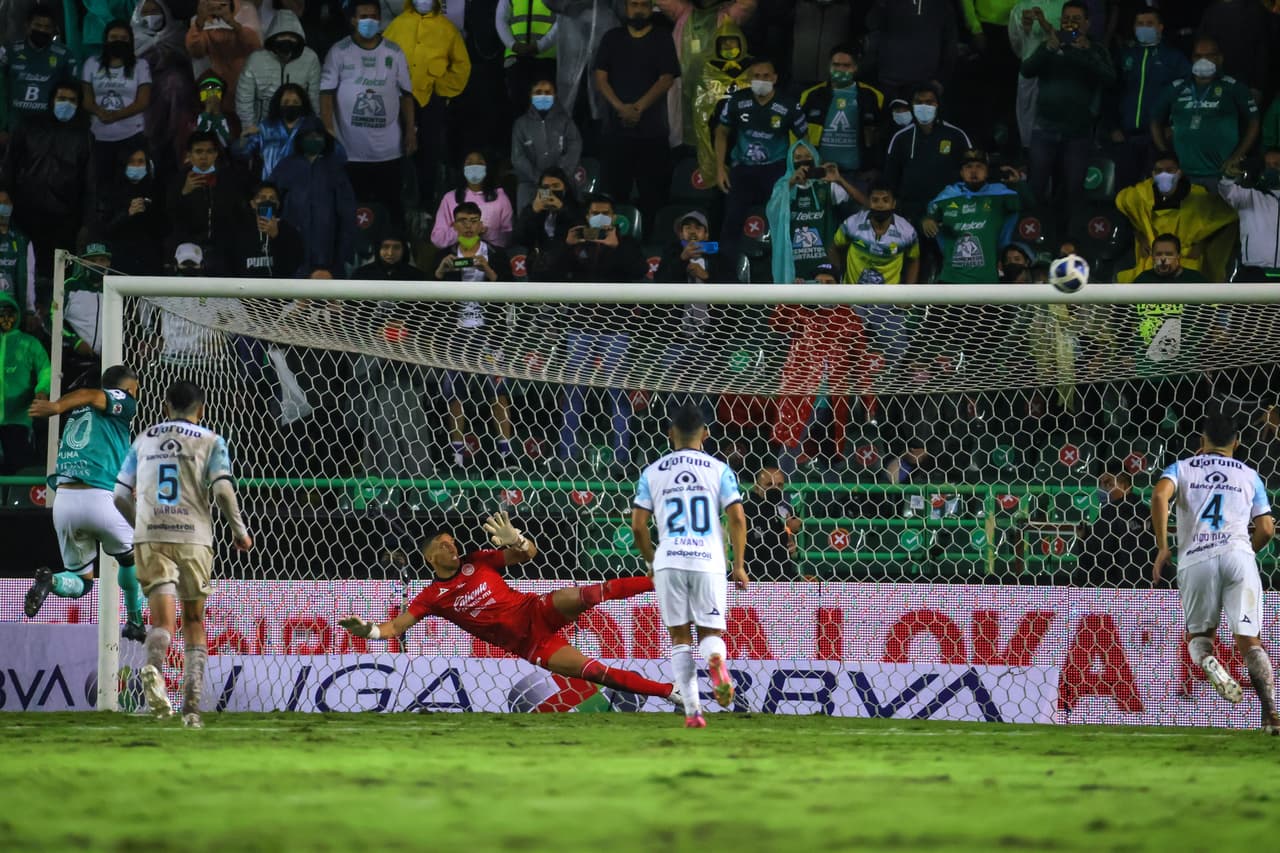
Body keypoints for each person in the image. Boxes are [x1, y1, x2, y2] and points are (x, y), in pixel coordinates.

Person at [340, 518, 682, 707]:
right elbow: (395, 628)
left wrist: (517, 540)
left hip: (538, 610)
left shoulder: (478, 560)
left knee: (594, 592)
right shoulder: (431, 597)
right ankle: (670, 692)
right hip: (531, 645)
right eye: (442, 546)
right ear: (431, 559)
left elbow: (528, 555)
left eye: (452, 541)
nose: (451, 546)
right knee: (596, 672)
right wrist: (367, 631)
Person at [115, 380, 253, 727]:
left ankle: (153, 669)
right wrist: (240, 531)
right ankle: (191, 709)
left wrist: (141, 526)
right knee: (193, 621)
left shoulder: (143, 439)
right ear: (201, 409)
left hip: (152, 535)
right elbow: (222, 489)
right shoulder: (210, 440)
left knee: (161, 622)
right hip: (193, 538)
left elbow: (118, 494)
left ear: (165, 407)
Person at [1151, 412, 1278, 734]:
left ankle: (1208, 661)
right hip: (1238, 557)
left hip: (1196, 560)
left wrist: (1164, 547)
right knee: (1250, 640)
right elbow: (1266, 528)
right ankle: (1272, 715)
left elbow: (1159, 496)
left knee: (1200, 637)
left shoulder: (1180, 468)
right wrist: (1248, 552)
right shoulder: (1251, 476)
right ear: (1236, 442)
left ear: (1201, 440)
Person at [631, 402, 748, 727]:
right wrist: (738, 564)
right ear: (705, 434)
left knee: (679, 637)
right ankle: (715, 659)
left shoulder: (652, 472)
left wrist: (652, 561)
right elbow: (737, 517)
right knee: (711, 632)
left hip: (670, 561)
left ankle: (693, 711)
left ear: (671, 434)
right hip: (709, 560)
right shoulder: (718, 469)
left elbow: (638, 526)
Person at [23, 366, 146, 642]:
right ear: (126, 389)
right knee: (130, 558)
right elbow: (90, 393)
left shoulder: (78, 414)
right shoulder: (121, 400)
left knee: (82, 582)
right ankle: (135, 620)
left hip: (64, 501)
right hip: (101, 498)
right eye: (134, 391)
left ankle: (51, 580)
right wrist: (54, 406)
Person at [553, 194, 645, 468]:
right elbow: (548, 274)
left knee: (616, 391)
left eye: (606, 212)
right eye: (595, 212)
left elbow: (640, 270)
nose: (601, 217)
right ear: (587, 216)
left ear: (615, 217)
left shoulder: (627, 244)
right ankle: (567, 455)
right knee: (573, 392)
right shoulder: (577, 243)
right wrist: (565, 247)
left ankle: (621, 458)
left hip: (616, 328)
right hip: (579, 327)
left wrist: (616, 248)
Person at [432, 200, 515, 469]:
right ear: (454, 225)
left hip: (489, 334)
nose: (468, 225)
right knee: (455, 395)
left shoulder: (497, 254)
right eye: (462, 220)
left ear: (481, 224)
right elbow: (428, 302)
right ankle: (456, 454)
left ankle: (506, 453)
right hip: (456, 334)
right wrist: (440, 273)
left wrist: (488, 271)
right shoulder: (443, 255)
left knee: (497, 392)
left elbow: (512, 294)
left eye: (473, 220)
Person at [321, 1, 415, 226]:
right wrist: (328, 131)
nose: (369, 21)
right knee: (351, 210)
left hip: (389, 152)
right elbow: (326, 93)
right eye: (363, 16)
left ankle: (396, 253)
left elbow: (406, 96)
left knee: (392, 210)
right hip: (351, 151)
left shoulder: (394, 51)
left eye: (374, 16)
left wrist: (410, 131)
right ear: (353, 20)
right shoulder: (339, 51)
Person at [1020, 1, 1113, 220]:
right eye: (1066, 19)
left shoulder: (1096, 49)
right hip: (1044, 129)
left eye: (1076, 20)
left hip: (1078, 133)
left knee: (1074, 191)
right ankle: (1033, 242)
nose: (1070, 24)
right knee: (1037, 187)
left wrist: (1085, 52)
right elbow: (1027, 70)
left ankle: (1072, 242)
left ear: (1087, 24)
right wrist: (1048, 49)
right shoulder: (1049, 44)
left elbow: (1110, 79)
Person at [770, 262, 866, 475]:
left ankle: (829, 506)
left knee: (831, 455)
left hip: (835, 401)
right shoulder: (801, 309)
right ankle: (784, 503)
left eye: (829, 282)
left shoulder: (848, 316)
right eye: (819, 282)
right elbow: (777, 323)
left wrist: (867, 402)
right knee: (790, 449)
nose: (823, 287)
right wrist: (793, 295)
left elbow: (860, 359)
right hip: (801, 397)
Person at [593, 0, 680, 227]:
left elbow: (667, 79)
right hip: (615, 130)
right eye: (634, 4)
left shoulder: (662, 38)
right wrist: (621, 108)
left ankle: (651, 250)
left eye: (643, 5)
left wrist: (638, 108)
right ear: (626, 8)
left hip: (652, 133)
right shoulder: (612, 38)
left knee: (654, 198)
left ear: (651, 9)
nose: (638, 9)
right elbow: (600, 78)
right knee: (612, 196)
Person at [715, 57, 806, 257]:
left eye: (766, 76)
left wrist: (797, 169)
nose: (761, 80)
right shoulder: (738, 101)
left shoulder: (789, 105)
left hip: (776, 171)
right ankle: (726, 275)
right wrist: (720, 168)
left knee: (779, 222)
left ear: (775, 78)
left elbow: (803, 140)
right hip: (742, 169)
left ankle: (778, 274)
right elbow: (721, 131)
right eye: (756, 76)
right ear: (749, 78)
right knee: (731, 221)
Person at [1, 81, 94, 279]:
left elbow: (89, 182)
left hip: (64, 217)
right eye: (61, 98)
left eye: (72, 100)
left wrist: (85, 221)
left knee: (58, 273)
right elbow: (10, 164)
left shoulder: (84, 135)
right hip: (26, 213)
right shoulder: (28, 126)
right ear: (51, 100)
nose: (66, 104)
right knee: (26, 267)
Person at [384, 0, 471, 207]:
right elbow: (382, 55)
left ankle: (426, 204)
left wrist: (441, 88)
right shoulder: (397, 25)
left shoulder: (447, 29)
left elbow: (462, 66)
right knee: (393, 149)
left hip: (430, 100)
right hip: (396, 97)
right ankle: (395, 204)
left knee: (429, 152)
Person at [1151, 36, 1260, 190]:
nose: (1203, 60)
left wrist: (1237, 156)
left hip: (1221, 174)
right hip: (1183, 174)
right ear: (1191, 58)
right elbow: (1155, 120)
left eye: (1209, 55)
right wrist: (1164, 154)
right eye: (1198, 56)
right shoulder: (1176, 88)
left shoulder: (1234, 88)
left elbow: (1253, 121)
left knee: (1220, 213)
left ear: (1220, 58)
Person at [1114, 153, 1237, 283]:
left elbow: (1225, 218)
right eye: (1159, 171)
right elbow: (1126, 212)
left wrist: (1202, 244)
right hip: (1152, 259)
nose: (1164, 175)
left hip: (1188, 260)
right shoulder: (1140, 195)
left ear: (1179, 172)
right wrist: (1140, 235)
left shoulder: (1198, 196)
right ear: (1153, 173)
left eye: (1169, 170)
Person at [1107, 7, 1189, 192]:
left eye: (1149, 24)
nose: (1144, 27)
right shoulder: (1125, 55)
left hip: (1157, 139)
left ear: (1160, 27)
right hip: (1127, 138)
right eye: (1140, 24)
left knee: (1156, 194)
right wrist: (1113, 126)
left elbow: (1186, 95)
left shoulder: (1173, 58)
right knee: (1125, 195)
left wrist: (1173, 124)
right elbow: (1111, 92)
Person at [767, 139, 864, 284]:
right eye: (798, 158)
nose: (803, 161)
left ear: (815, 158)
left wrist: (839, 180)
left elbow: (866, 204)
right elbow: (771, 212)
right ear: (789, 161)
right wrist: (791, 183)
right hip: (794, 270)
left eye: (808, 156)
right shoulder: (783, 188)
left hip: (826, 271)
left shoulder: (826, 187)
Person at [922, 149, 1022, 285]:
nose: (974, 171)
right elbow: (928, 217)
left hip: (987, 281)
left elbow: (1027, 204)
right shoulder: (947, 196)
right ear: (961, 172)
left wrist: (1017, 183)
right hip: (951, 280)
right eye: (968, 167)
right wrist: (926, 220)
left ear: (987, 171)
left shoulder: (1001, 195)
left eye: (979, 167)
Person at [272, 117, 356, 276]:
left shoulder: (335, 169)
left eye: (318, 136)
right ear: (300, 139)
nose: (313, 140)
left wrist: (345, 250)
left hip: (327, 247)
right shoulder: (285, 167)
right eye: (308, 136)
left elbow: (347, 213)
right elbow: (270, 199)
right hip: (291, 242)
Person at [883, 84, 973, 225]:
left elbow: (973, 168)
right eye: (919, 102)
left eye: (929, 102)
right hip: (910, 211)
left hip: (949, 208)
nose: (924, 106)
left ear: (938, 104)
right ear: (912, 105)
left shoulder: (956, 135)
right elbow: (890, 177)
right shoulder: (901, 138)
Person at [81, 20, 153, 183]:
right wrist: (100, 112)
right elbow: (87, 100)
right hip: (98, 137)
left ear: (130, 41)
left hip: (133, 136)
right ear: (105, 39)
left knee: (132, 185)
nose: (118, 41)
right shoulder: (91, 64)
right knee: (101, 184)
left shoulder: (141, 65)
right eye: (113, 37)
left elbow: (143, 101)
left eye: (123, 38)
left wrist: (116, 116)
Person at [132, 0, 197, 179]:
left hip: (178, 102)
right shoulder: (132, 38)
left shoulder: (177, 34)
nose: (151, 15)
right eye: (146, 12)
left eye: (155, 10)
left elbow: (189, 66)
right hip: (148, 102)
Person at [168, 130, 246, 272]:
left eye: (209, 151)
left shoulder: (229, 179)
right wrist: (184, 193)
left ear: (216, 154)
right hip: (188, 251)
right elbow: (169, 217)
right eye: (198, 151)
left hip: (222, 250)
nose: (204, 156)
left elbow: (238, 214)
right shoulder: (178, 180)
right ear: (189, 155)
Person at [799, 44, 882, 179]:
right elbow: (798, 133)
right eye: (836, 65)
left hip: (857, 175)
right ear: (829, 66)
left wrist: (874, 167)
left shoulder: (872, 96)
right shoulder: (811, 95)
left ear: (855, 67)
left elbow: (881, 135)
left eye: (846, 65)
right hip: (819, 172)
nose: (840, 70)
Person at [235, 9, 320, 131]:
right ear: (272, 38)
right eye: (282, 36)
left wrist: (313, 126)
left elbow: (314, 97)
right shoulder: (256, 59)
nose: (286, 41)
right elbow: (244, 98)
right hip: (262, 125)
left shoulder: (310, 58)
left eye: (291, 37)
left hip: (298, 125)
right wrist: (249, 127)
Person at [0, 4, 77, 138]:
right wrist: (2, 127)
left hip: (49, 127)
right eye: (37, 25)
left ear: (54, 30)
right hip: (15, 126)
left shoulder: (65, 55)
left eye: (47, 27)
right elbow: (2, 90)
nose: (42, 30)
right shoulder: (10, 52)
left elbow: (73, 92)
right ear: (27, 25)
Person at [863, 0, 958, 105]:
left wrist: (941, 79)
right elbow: (871, 24)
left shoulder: (941, 4)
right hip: (890, 81)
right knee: (887, 119)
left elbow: (950, 42)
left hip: (926, 84)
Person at [94, 144, 167, 276]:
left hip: (150, 262)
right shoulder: (110, 192)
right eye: (131, 162)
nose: (136, 166)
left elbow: (165, 228)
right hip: (120, 262)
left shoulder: (156, 191)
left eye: (140, 162)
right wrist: (127, 214)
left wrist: (150, 211)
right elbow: (103, 230)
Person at [511, 78, 581, 210]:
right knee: (529, 224)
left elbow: (575, 147)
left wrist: (559, 177)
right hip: (530, 185)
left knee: (565, 221)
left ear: (555, 95)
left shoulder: (565, 121)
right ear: (531, 96)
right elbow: (518, 157)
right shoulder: (521, 124)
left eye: (548, 92)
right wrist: (539, 178)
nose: (543, 96)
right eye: (538, 92)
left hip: (562, 184)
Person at [0, 290, 48, 474]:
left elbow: (45, 369)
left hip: (19, 420)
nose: (6, 318)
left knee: (18, 468)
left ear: (17, 315)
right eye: (1, 314)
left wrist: (42, 389)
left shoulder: (29, 343)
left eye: (9, 313)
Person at [1073, 470, 1149, 587]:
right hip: (1144, 588)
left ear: (1124, 485)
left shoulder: (1109, 513)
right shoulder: (1146, 511)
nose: (1103, 489)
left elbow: (1099, 555)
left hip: (1112, 589)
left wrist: (1084, 539)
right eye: (1101, 484)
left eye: (1108, 484)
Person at [1007, 0, 1066, 152]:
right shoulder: (1020, 8)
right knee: (1029, 124)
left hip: (1060, 74)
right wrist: (1026, 29)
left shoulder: (1067, 5)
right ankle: (1029, 157)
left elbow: (1075, 35)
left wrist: (1047, 26)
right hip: (1030, 72)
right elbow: (1017, 46)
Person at [185, 0, 263, 113]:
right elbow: (196, 52)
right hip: (216, 84)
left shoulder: (246, 11)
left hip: (247, 83)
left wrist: (232, 23)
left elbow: (255, 47)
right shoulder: (199, 21)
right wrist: (199, 24)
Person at [430, 150, 515, 249]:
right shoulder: (450, 198)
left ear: (487, 167)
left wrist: (486, 231)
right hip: (458, 258)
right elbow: (437, 239)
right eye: (469, 163)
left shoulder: (500, 198)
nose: (474, 167)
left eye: (480, 163)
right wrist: (461, 230)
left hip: (490, 259)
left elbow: (508, 239)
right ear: (462, 168)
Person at [1219, 149, 1280, 282]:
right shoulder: (1249, 194)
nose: (1272, 169)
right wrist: (1230, 174)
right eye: (1268, 165)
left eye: (1277, 165)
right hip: (1254, 273)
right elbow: (1226, 189)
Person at [511, 166, 581, 281]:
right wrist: (533, 211)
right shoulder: (531, 210)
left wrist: (561, 208)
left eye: (556, 186)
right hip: (539, 273)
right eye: (546, 187)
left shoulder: (576, 208)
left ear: (565, 189)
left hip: (569, 273)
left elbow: (580, 231)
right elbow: (518, 238)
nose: (551, 191)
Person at [233, 82, 312, 180]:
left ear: (303, 104)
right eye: (286, 102)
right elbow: (242, 153)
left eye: (295, 102)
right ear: (278, 105)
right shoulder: (266, 127)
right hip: (271, 189)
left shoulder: (312, 127)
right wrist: (244, 139)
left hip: (304, 188)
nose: (291, 105)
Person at [229, 180, 305, 277]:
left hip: (278, 289)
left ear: (277, 205)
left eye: (272, 198)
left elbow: (292, 266)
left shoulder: (289, 231)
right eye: (262, 198)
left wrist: (277, 236)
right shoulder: (239, 232)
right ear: (253, 204)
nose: (267, 201)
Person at [498, 0, 558, 115]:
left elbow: (561, 20)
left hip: (546, 59)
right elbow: (501, 19)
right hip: (516, 58)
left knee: (544, 109)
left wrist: (540, 46)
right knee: (517, 104)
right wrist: (512, 44)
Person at [742, 465, 800, 580]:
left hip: (780, 575)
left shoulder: (781, 510)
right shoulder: (748, 510)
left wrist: (791, 541)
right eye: (769, 484)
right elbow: (756, 541)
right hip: (756, 577)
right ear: (757, 487)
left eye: (779, 485)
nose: (775, 489)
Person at [0, 189, 37, 325]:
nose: (2, 207)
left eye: (5, 203)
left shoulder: (23, 241)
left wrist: (30, 309)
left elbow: (29, 277)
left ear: (12, 206)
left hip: (13, 312)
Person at [353, 230, 422, 280]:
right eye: (385, 247)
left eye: (396, 247)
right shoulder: (362, 275)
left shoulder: (417, 277)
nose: (390, 253)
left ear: (404, 250)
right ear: (378, 249)